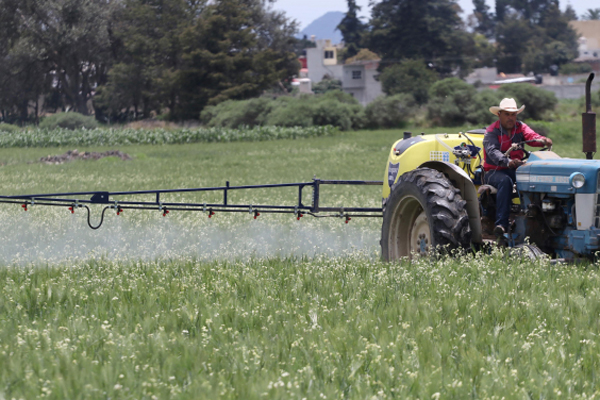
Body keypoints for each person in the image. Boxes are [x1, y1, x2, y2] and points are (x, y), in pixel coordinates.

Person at [482, 98, 552, 237]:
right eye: (507, 114)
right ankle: (501, 224)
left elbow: (532, 137)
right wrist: (507, 161)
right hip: (493, 171)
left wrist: (543, 140)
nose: (510, 117)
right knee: (505, 181)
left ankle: (538, 216)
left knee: (535, 178)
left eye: (513, 114)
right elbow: (493, 152)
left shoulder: (520, 127)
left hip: (516, 169)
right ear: (499, 114)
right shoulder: (491, 132)